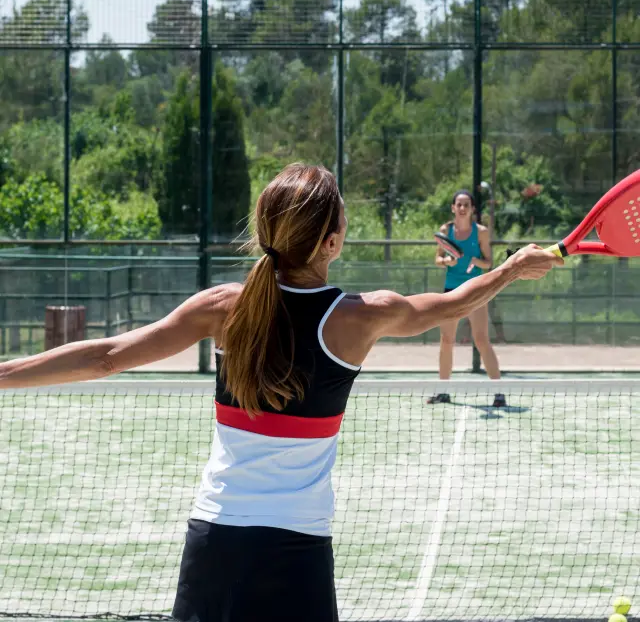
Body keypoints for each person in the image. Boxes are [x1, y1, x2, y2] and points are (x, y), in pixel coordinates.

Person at [0, 164, 561, 622]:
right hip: (296, 554)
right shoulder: (359, 318)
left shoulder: (223, 306)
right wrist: (512, 267)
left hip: (213, 546)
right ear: (334, 241)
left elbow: (105, 357)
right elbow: (456, 304)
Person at [431, 188, 504, 407]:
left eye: (466, 205)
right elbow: (438, 259)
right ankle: (444, 391)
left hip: (475, 291)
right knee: (446, 340)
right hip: (451, 292)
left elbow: (488, 262)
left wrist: (473, 259)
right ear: (453, 208)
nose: (462, 208)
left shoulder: (480, 232)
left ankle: (499, 393)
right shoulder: (446, 229)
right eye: (458, 205)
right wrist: (448, 262)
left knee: (481, 340)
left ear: (472, 209)